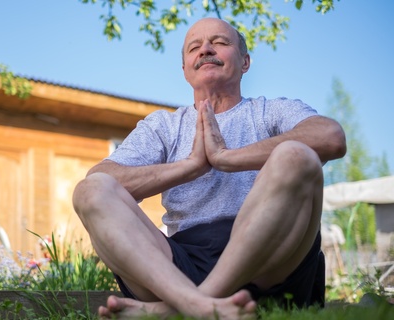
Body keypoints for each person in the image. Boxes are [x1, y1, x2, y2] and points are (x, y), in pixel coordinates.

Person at [72, 17, 346, 320]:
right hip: (181, 265)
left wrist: (227, 158)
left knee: (297, 155)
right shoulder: (163, 126)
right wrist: (191, 166)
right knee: (91, 189)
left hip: (271, 261)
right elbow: (102, 179)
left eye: (219, 42)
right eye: (194, 47)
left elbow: (330, 137)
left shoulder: (271, 111)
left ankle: (180, 309)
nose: (205, 50)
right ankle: (200, 305)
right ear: (186, 69)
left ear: (245, 62)